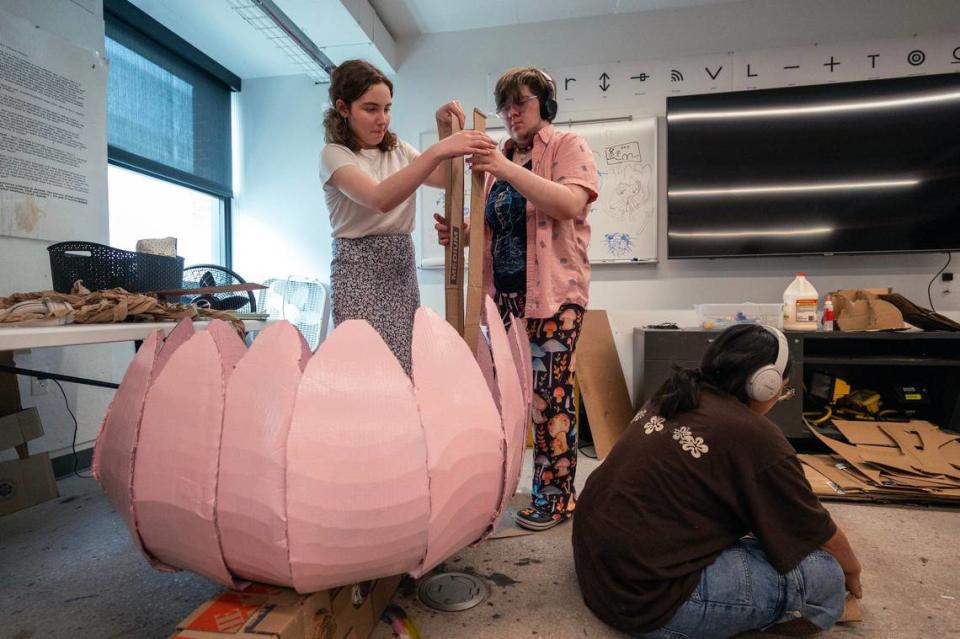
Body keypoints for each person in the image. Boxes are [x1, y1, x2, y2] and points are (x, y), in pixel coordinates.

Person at [572, 324, 862, 639]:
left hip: (599, 570)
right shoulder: (756, 436)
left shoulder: (677, 390)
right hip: (651, 603)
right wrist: (852, 572)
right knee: (824, 575)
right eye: (784, 390)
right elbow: (818, 531)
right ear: (766, 385)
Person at [436, 67, 599, 531]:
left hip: (552, 300)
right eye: (506, 105)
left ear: (545, 105)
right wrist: (461, 235)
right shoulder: (501, 159)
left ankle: (557, 498)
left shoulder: (567, 147)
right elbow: (497, 229)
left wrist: (504, 168)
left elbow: (569, 203)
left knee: (551, 398)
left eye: (521, 102)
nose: (511, 113)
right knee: (505, 396)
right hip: (501, 301)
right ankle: (503, 486)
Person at [320, 59, 495, 373]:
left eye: (387, 109)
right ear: (343, 108)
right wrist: (440, 148)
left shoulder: (396, 148)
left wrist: (443, 131)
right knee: (365, 366)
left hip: (399, 263)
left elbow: (445, 177)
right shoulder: (334, 154)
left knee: (403, 366)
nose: (382, 119)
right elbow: (379, 198)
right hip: (357, 267)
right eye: (371, 109)